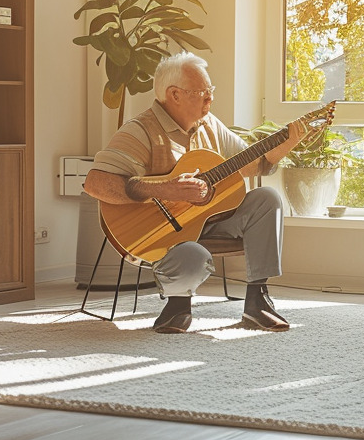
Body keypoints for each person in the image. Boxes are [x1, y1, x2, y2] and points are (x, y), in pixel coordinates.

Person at [84, 51, 308, 334]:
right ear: (174, 95)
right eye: (202, 92)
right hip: (168, 239)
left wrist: (288, 143)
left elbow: (253, 164)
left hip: (210, 223)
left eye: (210, 90)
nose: (210, 98)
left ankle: (257, 301)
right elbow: (95, 183)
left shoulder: (210, 124)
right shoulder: (140, 131)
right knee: (194, 255)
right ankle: (177, 306)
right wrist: (166, 189)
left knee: (267, 199)